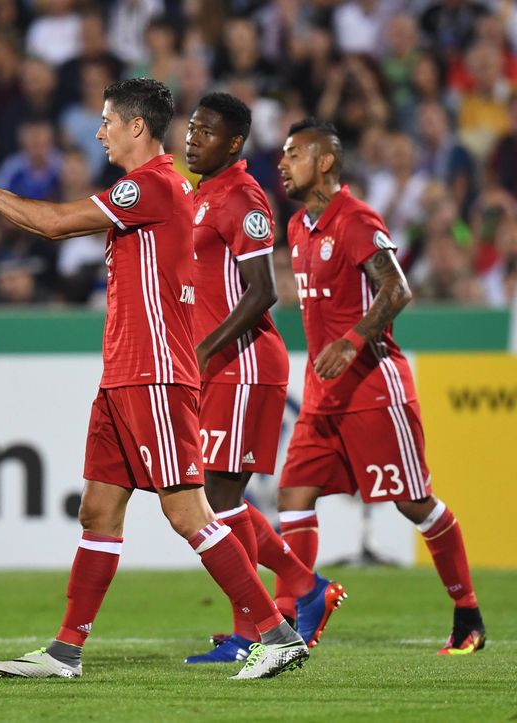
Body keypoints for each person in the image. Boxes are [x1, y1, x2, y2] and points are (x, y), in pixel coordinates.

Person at [0, 78, 308, 680]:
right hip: (123, 376)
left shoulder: (152, 185)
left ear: (136, 127)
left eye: (106, 122)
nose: (99, 132)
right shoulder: (155, 189)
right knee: (98, 511)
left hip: (155, 374)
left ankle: (277, 635)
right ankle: (65, 651)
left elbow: (55, 223)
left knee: (189, 514)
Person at [275, 118, 486, 655]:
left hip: (374, 388)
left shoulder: (355, 218)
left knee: (413, 503)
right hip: (322, 394)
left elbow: (397, 288)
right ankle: (289, 618)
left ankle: (467, 613)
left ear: (325, 161)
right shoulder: (298, 226)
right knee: (294, 495)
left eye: (294, 154)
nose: (282, 163)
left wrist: (351, 341)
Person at [182, 92, 341, 664]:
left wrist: (205, 348)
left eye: (206, 132)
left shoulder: (244, 197)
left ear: (233, 143)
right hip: (215, 365)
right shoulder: (200, 195)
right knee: (212, 496)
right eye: (191, 128)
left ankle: (255, 630)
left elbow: (263, 291)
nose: (192, 139)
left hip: (242, 364)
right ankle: (304, 587)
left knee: (217, 498)